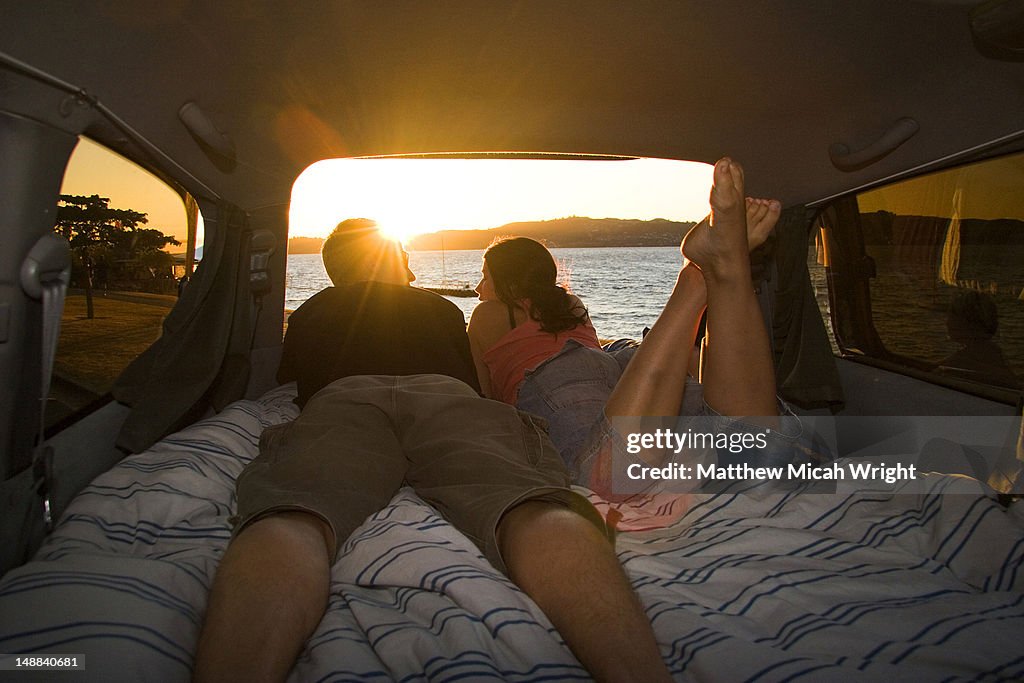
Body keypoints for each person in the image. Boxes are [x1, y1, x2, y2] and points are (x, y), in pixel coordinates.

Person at [193, 219, 673, 683]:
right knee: (530, 504)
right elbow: (472, 383)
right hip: (445, 394)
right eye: (404, 257)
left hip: (345, 396)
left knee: (295, 510)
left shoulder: (314, 308)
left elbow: (290, 378)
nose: (413, 269)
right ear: (389, 263)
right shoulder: (441, 310)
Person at [468, 158, 801, 519]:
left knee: (605, 480)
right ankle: (719, 270)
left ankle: (695, 280)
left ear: (506, 281)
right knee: (751, 451)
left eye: (485, 277)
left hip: (559, 376)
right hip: (625, 364)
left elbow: (483, 395)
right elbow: (591, 352)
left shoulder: (488, 313)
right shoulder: (570, 303)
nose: (477, 287)